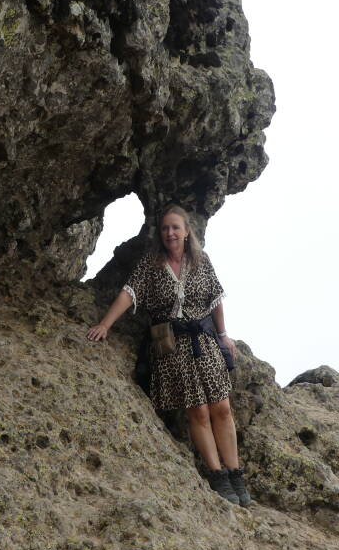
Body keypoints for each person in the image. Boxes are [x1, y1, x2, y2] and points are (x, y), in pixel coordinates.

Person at [86, 204, 251, 507]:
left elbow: (215, 299)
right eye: (165, 228)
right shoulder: (151, 264)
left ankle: (236, 474)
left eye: (175, 227)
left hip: (204, 342)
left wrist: (224, 335)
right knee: (198, 411)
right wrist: (105, 325)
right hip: (172, 347)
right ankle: (218, 476)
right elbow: (129, 293)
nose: (170, 233)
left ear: (187, 231)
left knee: (222, 408)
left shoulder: (201, 261)